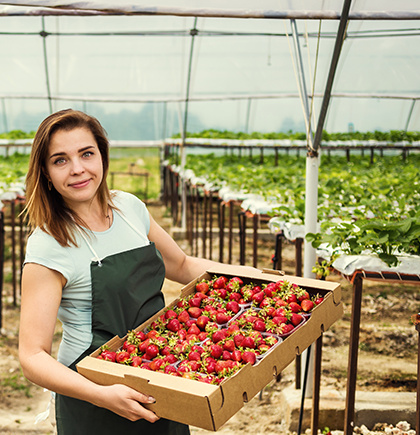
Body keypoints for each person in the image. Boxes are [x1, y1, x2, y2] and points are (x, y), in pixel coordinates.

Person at [18, 109, 229, 434]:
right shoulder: (49, 244)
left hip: (160, 372)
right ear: (46, 172)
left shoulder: (129, 209)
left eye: (86, 154)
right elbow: (32, 355)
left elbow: (182, 265)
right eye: (60, 160)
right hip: (92, 391)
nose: (77, 169)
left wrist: (254, 276)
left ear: (102, 155)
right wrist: (102, 395)